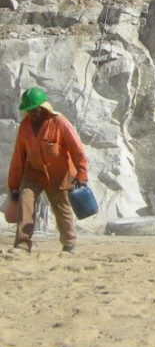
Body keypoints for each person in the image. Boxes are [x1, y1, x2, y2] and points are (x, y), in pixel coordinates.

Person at [7, 87, 88, 253]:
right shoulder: (25, 126)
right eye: (29, 110)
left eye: (34, 109)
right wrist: (14, 185)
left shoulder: (59, 122)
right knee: (25, 200)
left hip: (59, 175)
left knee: (61, 208)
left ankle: (69, 243)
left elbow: (77, 149)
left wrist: (82, 174)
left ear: (43, 107)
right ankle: (22, 244)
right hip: (34, 173)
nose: (32, 113)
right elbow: (18, 156)